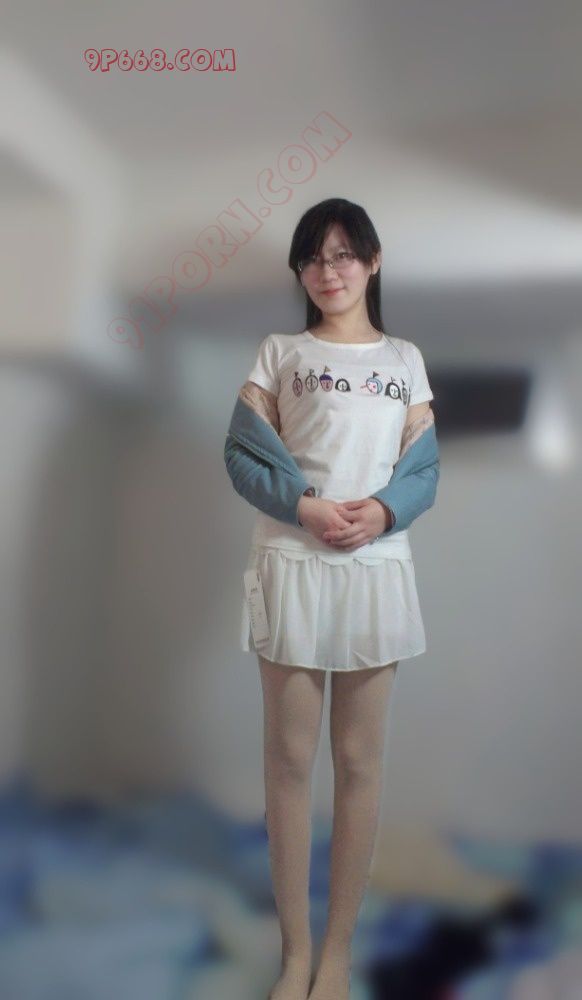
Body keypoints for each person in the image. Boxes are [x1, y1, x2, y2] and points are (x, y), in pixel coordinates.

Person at [224, 198, 439, 1000]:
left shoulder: (405, 360)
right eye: (313, 257)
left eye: (344, 254)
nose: (329, 270)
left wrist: (382, 511)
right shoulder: (279, 353)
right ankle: (295, 956)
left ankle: (338, 954)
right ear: (301, 271)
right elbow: (242, 453)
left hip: (375, 569)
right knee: (288, 762)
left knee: (357, 763)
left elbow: (423, 471)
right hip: (291, 561)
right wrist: (303, 505)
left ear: (372, 263)